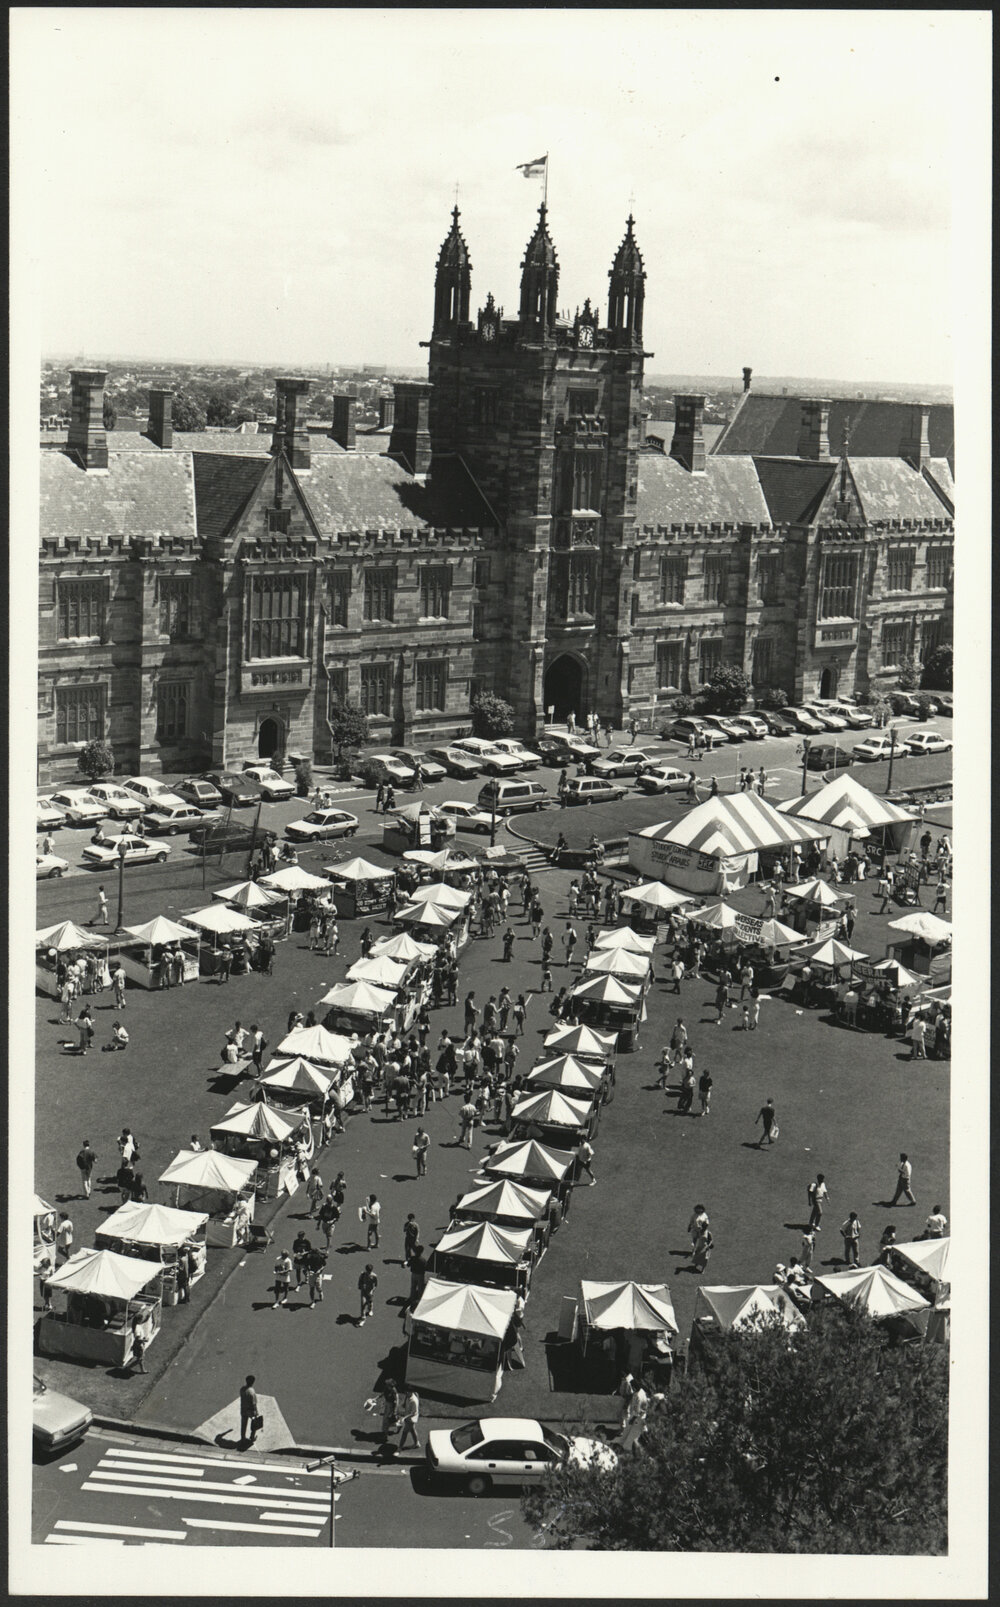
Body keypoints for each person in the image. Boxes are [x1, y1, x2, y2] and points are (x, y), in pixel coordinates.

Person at [130, 1306, 153, 1374]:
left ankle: (143, 1370)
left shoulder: (137, 1326)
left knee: (140, 1358)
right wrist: (145, 1340)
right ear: (139, 1320)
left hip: (139, 1344)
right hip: (139, 1345)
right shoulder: (137, 1328)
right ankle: (128, 1368)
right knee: (140, 1359)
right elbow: (138, 1339)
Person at [396, 1387, 421, 1452]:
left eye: (407, 1392)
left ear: (411, 1392)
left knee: (404, 1433)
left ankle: (399, 1448)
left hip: (411, 1419)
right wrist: (403, 1405)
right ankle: (416, 1444)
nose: (406, 1393)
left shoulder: (414, 1401)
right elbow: (405, 1402)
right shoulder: (408, 1395)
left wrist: (404, 1418)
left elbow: (414, 1413)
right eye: (405, 1392)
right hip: (408, 1417)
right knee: (412, 1430)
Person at [239, 1375, 260, 1448]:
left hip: (243, 1409)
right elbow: (254, 1404)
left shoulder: (242, 1389)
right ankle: (252, 1437)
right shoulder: (252, 1391)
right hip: (250, 1411)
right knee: (255, 1423)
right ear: (253, 1382)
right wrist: (256, 1412)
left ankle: (243, 1438)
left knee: (243, 1424)